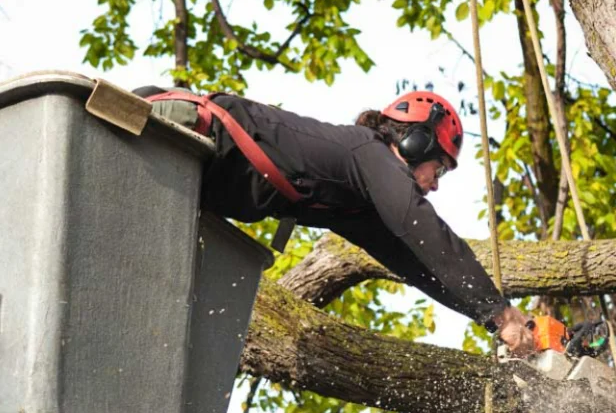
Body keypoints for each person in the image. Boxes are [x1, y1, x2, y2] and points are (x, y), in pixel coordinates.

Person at [134, 86, 534, 355]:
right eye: (439, 169)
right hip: (176, 131)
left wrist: (490, 318)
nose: (435, 185)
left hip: (187, 176)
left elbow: (420, 263)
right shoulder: (369, 152)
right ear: (416, 142)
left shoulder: (357, 202)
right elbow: (421, 226)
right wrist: (501, 310)